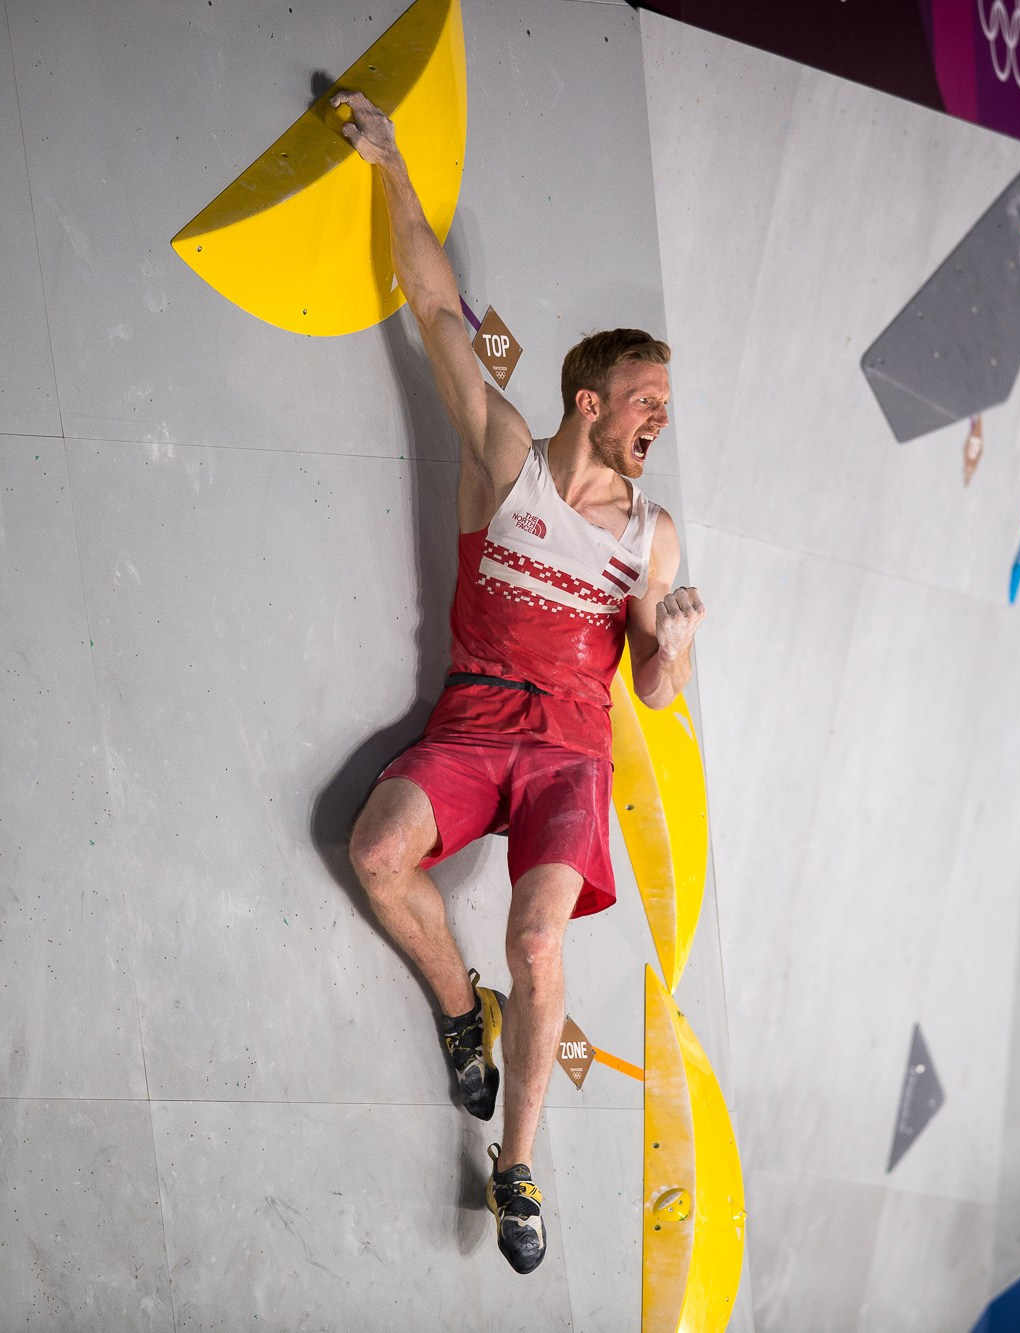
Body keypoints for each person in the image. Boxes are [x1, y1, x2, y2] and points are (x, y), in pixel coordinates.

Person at [336, 89, 705, 1275]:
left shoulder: (652, 538)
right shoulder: (504, 456)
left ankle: (517, 1160)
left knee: (541, 942)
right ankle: (460, 1009)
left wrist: (676, 644)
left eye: (666, 407)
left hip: (566, 755)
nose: (659, 421)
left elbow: (648, 689)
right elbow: (434, 306)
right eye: (646, 401)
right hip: (469, 718)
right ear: (588, 403)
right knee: (375, 854)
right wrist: (390, 162)